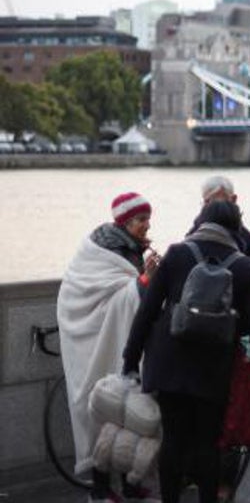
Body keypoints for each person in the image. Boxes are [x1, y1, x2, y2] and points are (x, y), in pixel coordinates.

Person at [122, 200, 250, 503]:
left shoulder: (177, 253)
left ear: (201, 220)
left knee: (172, 438)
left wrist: (130, 360)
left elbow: (146, 312)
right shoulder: (245, 266)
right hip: (213, 366)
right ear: (236, 227)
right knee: (208, 442)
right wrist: (225, 325)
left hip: (168, 360)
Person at [58, 193, 159, 503]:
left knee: (126, 412)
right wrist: (144, 280)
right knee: (103, 409)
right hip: (92, 342)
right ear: (125, 222)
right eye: (141, 220)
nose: (147, 225)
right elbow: (108, 298)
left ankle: (128, 484)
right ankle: (100, 490)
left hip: (117, 339)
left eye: (148, 219)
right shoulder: (102, 252)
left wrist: (145, 279)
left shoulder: (129, 247)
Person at [194, 175, 250, 261]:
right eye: (206, 202)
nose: (209, 207)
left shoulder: (249, 242)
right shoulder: (192, 235)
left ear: (233, 199)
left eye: (215, 202)